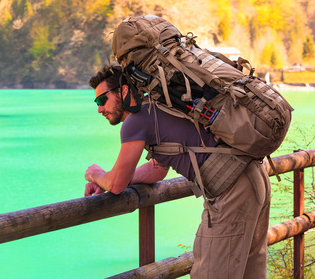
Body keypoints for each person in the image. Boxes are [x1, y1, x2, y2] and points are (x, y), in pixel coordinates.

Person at [84, 65, 271, 279]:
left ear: (123, 91)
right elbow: (156, 170)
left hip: (232, 190)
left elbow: (116, 185)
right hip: (254, 177)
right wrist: (113, 179)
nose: (99, 109)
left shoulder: (136, 121)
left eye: (102, 100)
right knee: (249, 273)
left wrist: (95, 174)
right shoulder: (159, 108)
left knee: (209, 274)